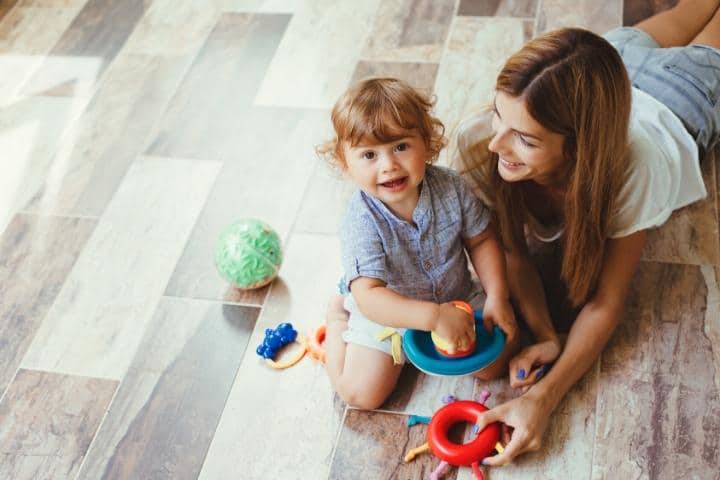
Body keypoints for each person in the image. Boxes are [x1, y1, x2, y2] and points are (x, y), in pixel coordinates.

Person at [456, 0, 720, 467]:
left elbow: (606, 300)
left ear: (580, 149)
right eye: (500, 115)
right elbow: (512, 253)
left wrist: (546, 398)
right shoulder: (485, 138)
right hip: (613, 61)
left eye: (526, 139)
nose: (497, 144)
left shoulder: (633, 170)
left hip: (682, 96)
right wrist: (545, 334)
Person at [317, 78, 519, 410]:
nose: (389, 165)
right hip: (385, 315)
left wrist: (498, 295)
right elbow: (370, 295)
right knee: (361, 395)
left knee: (498, 360)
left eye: (400, 147)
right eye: (369, 155)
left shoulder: (451, 187)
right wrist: (431, 317)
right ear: (345, 163)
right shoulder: (360, 220)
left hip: (456, 297)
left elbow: (482, 239)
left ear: (426, 142)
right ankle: (338, 318)